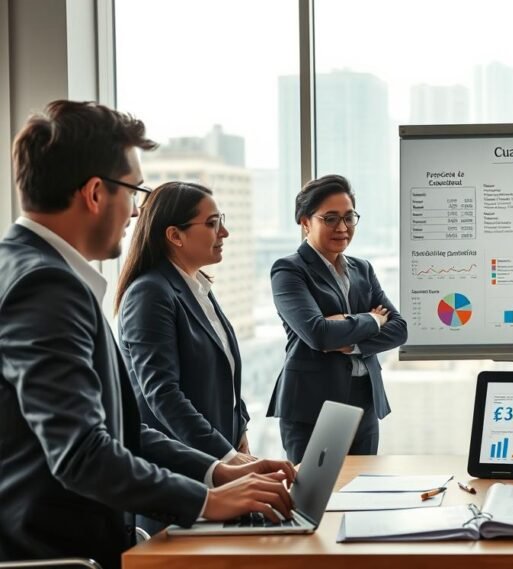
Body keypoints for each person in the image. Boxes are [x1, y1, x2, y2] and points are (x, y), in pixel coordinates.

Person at [0, 100, 296, 568]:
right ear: (96, 193)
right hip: (59, 554)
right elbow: (82, 453)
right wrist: (207, 501)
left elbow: (122, 429)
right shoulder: (46, 286)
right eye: (133, 191)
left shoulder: (34, 271)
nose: (137, 211)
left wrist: (215, 471)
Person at [115, 182, 255, 534]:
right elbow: (162, 393)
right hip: (178, 479)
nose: (224, 231)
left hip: (217, 467)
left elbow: (224, 373)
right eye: (211, 223)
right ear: (175, 235)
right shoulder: (150, 293)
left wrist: (240, 432)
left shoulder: (199, 288)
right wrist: (226, 457)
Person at [268, 175, 407, 461]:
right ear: (305, 222)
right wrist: (371, 319)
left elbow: (400, 329)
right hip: (313, 405)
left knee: (363, 490)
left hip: (365, 401)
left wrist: (353, 341)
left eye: (348, 217)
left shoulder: (362, 269)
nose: (342, 227)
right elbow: (318, 333)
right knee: (315, 499)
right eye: (330, 218)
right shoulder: (289, 270)